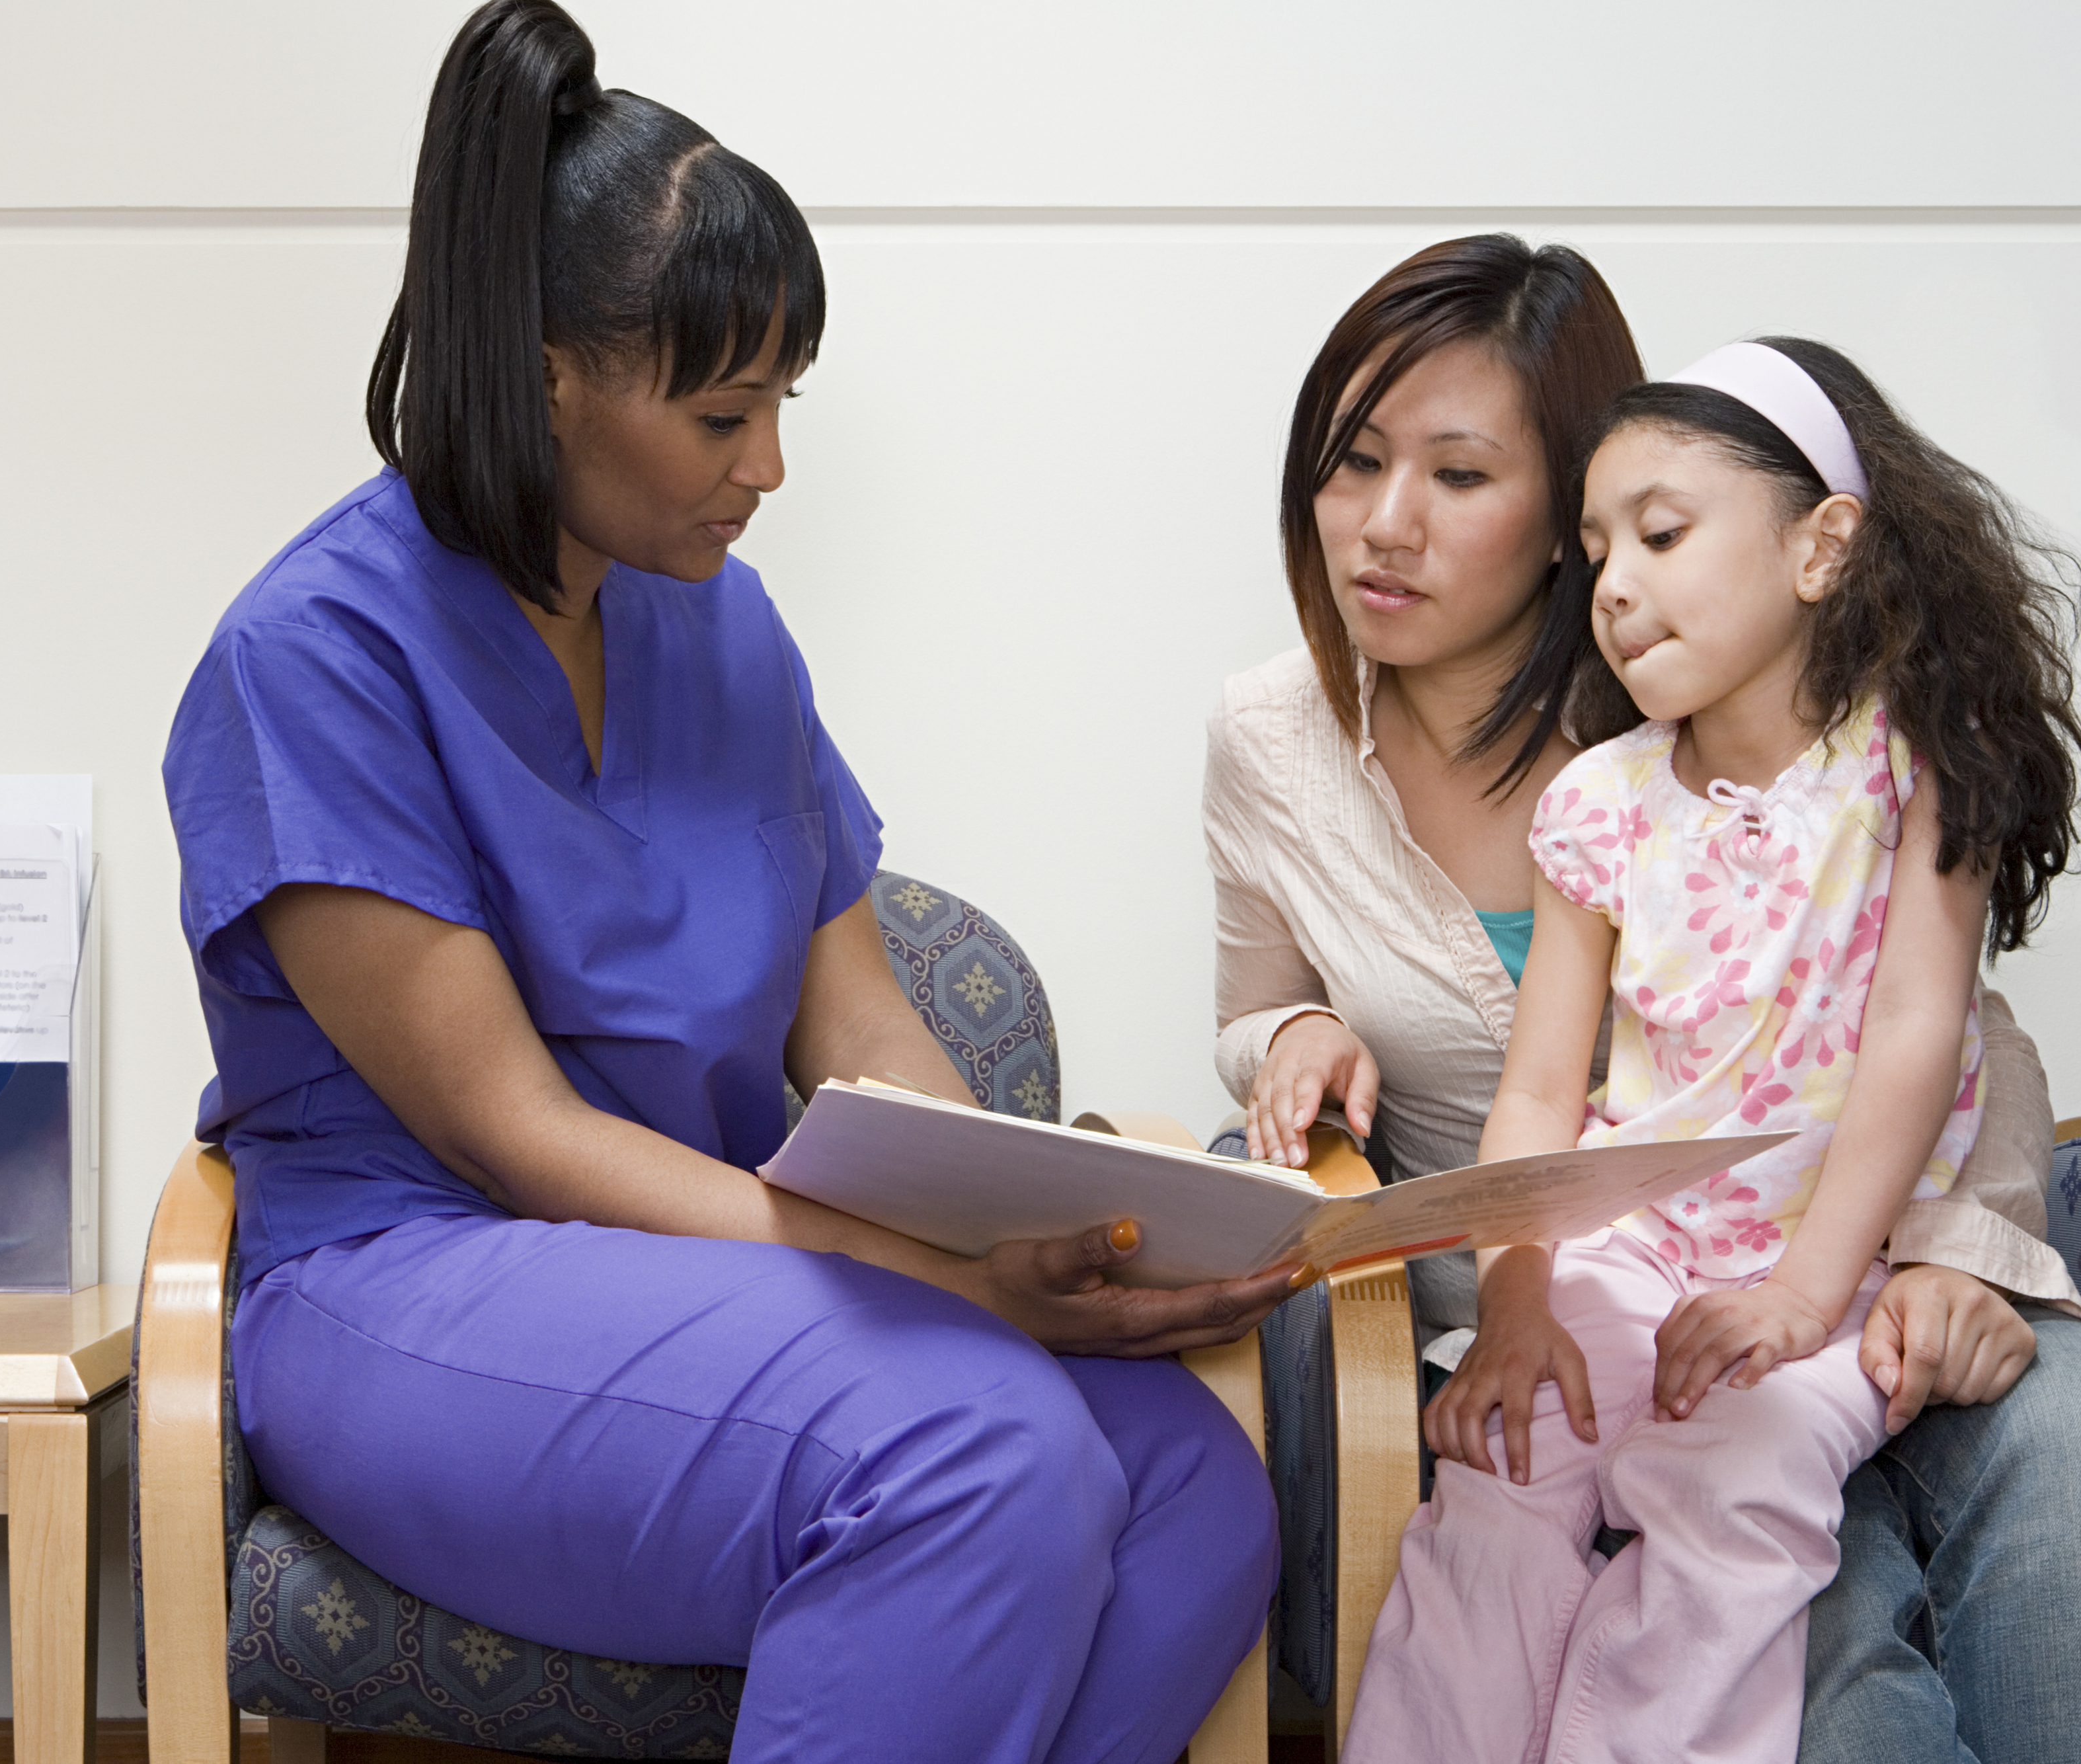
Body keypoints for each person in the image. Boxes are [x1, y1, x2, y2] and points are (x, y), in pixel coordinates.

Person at [160, 7, 1281, 1761]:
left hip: (726, 1272)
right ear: (547, 378)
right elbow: (515, 1136)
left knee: (1194, 1483)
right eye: (723, 413)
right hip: (413, 1291)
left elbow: (863, 1024)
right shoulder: (313, 655)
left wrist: (1022, 1208)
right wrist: (952, 1291)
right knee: (979, 1443)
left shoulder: (724, 623)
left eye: (780, 407)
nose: (769, 466)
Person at [1205, 237, 2081, 1763]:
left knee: (1781, 1529)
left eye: (1462, 476)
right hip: (1601, 1252)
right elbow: (1511, 1084)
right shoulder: (1587, 795)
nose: (1386, 524)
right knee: (1506, 1486)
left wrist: (1865, 1277)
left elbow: (1936, 1038)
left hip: (1838, 1265)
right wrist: (1500, 1281)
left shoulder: (1869, 757)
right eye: (1352, 462)